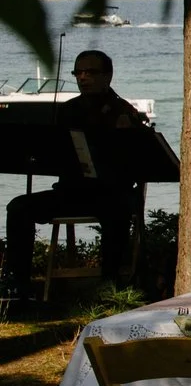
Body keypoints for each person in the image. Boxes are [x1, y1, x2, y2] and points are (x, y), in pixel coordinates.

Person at [4, 50, 144, 296]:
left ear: (107, 76)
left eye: (90, 72)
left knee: (117, 212)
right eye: (78, 72)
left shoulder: (123, 112)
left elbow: (136, 164)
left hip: (111, 193)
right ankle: (20, 286)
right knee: (18, 207)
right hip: (72, 192)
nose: (83, 77)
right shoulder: (67, 110)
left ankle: (110, 286)